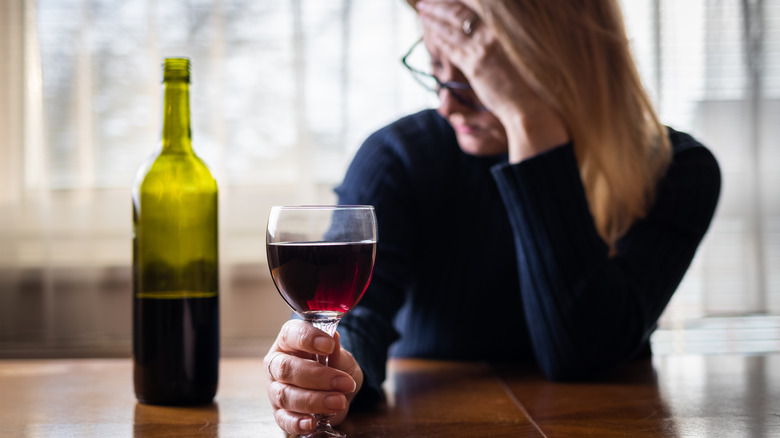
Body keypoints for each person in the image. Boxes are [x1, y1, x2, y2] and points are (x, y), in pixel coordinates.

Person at [263, 0, 721, 435]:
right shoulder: (399, 157)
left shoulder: (678, 172)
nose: (448, 105)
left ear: (561, 64)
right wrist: (328, 372)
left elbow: (580, 354)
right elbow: (358, 321)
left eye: (472, 80)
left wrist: (530, 124)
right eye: (437, 72)